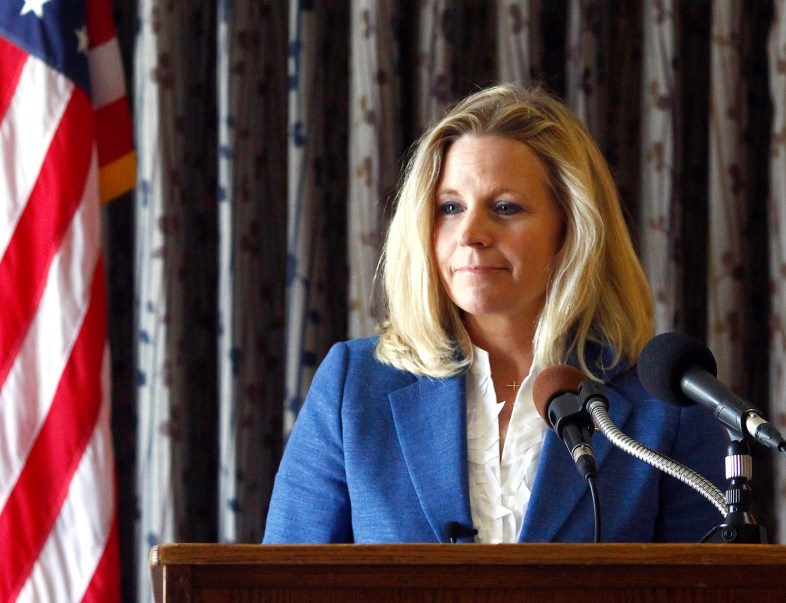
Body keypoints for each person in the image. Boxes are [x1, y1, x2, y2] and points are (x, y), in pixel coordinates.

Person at [263, 84, 728, 544]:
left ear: (572, 229)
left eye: (505, 208)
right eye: (450, 207)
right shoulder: (354, 387)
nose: (470, 233)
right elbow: (283, 601)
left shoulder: (663, 406)